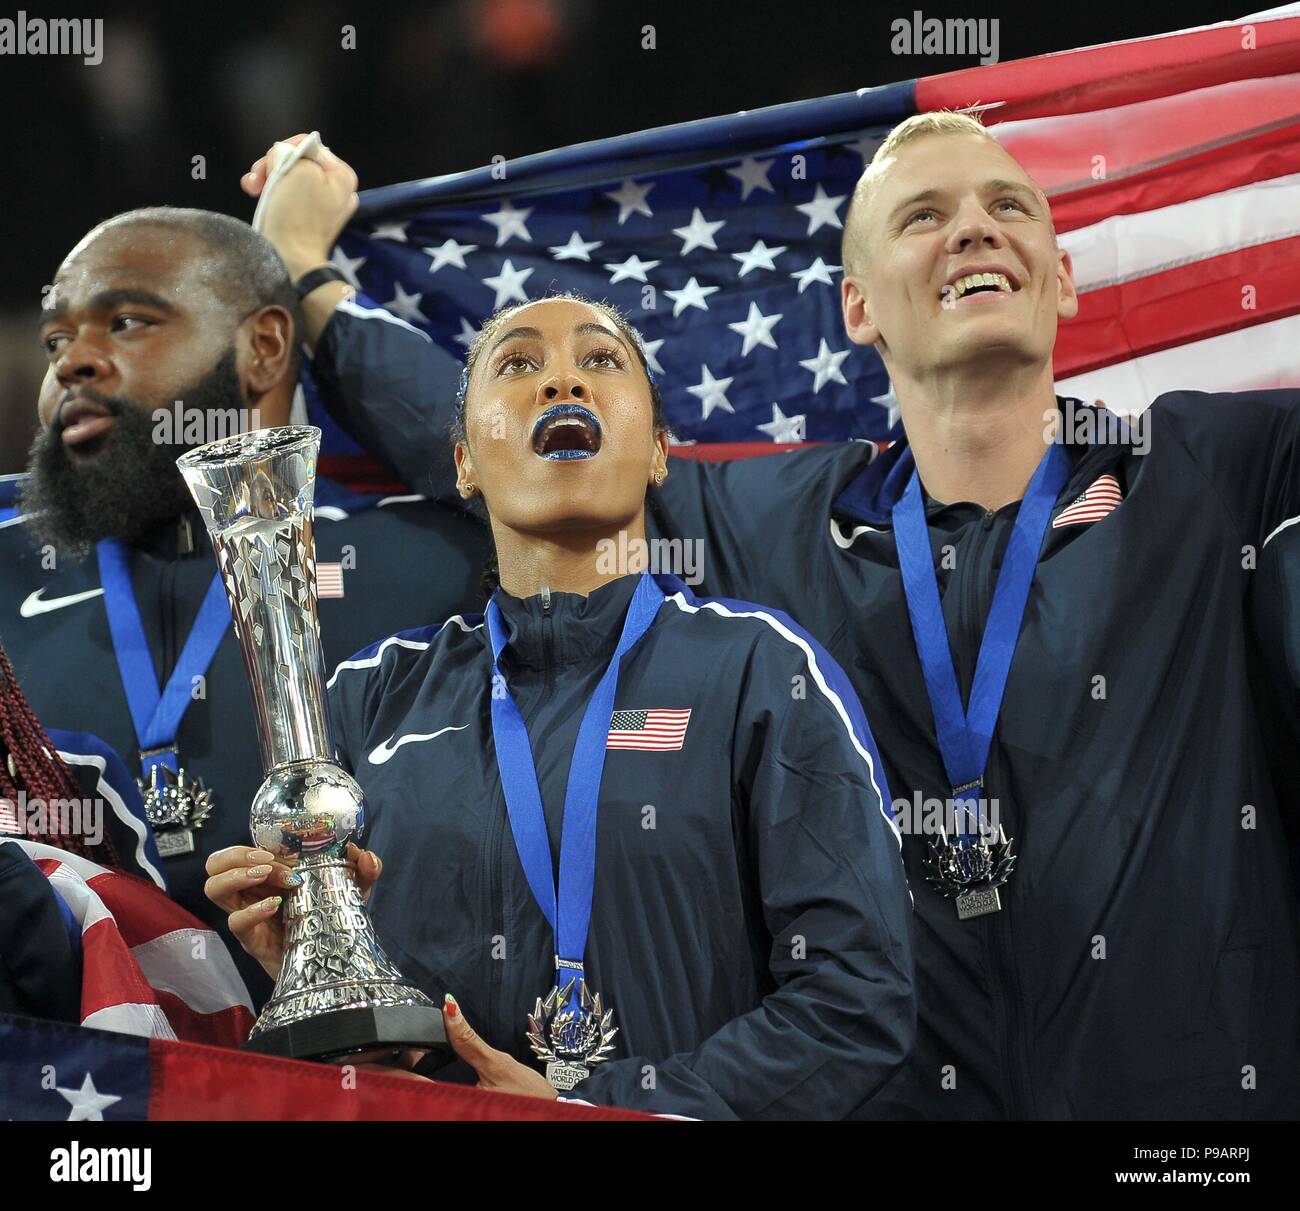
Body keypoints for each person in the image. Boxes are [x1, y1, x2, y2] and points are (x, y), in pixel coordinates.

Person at [247, 115, 1300, 1119]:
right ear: (856, 307)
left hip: (1193, 1122)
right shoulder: (779, 520)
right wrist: (306, 274)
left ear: (1062, 277)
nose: (973, 227)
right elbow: (539, 445)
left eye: (1009, 207)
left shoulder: (1221, 470)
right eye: (922, 216)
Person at [203, 294, 915, 1120]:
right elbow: (370, 1063)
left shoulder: (761, 670)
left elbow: (857, 997)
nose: (561, 381)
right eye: (518, 363)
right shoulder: (368, 697)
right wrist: (312, 972)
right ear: (465, 461)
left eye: (602, 360)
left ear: (656, 454)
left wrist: (604, 1110)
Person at [1, 207, 491, 1006]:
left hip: (378, 1067)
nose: (73, 364)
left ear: (264, 345)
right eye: (56, 341)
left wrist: (308, 271)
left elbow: (536, 464)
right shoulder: (6, 562)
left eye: (125, 321)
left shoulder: (435, 561)